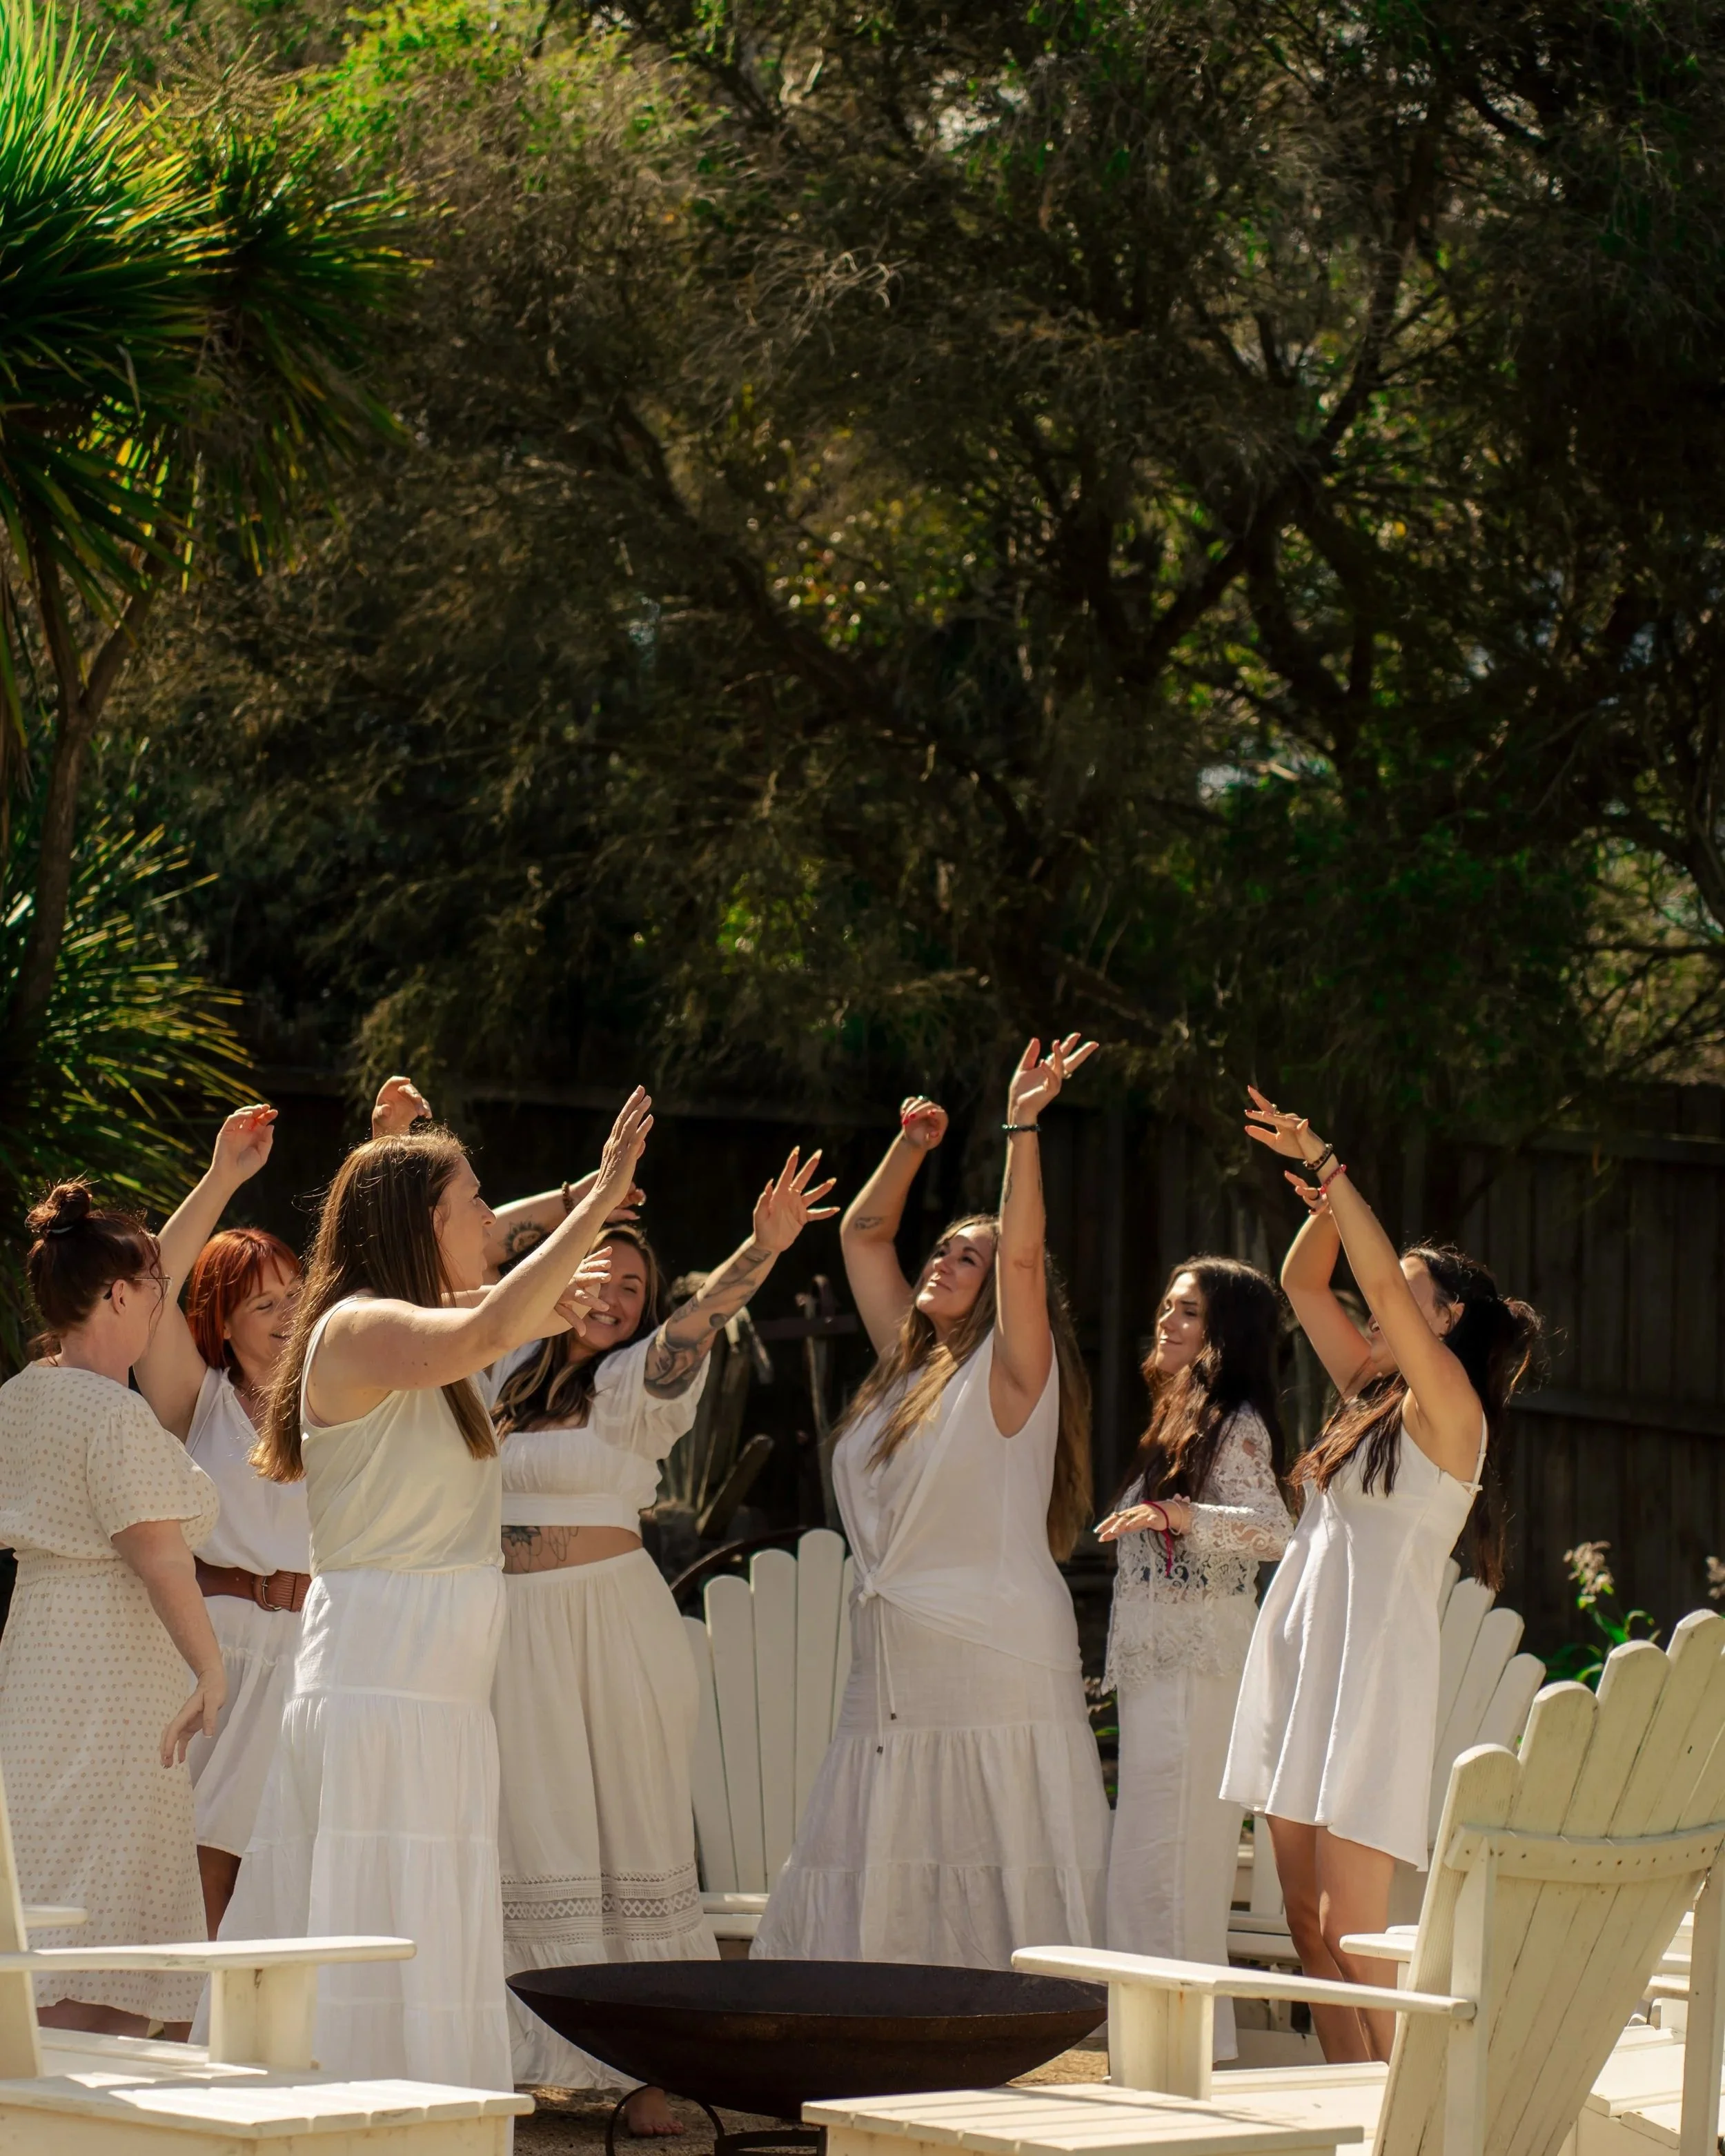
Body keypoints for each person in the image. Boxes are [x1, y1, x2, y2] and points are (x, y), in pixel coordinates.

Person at [215, 1089, 652, 2089]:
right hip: (384, 1676)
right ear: (424, 1223)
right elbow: (498, 1316)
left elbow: (518, 1303)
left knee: (427, 1924)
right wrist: (597, 1202)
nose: (492, 1222)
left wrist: (585, 1214)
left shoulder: (418, 1319)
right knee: (371, 1927)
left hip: (436, 1688)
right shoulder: (359, 1327)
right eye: (474, 1201)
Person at [491, 1147, 838, 2125]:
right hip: (511, 1632)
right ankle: (521, 2053)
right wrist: (582, 1204)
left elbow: (704, 1320)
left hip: (611, 1627)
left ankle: (657, 2072)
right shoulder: (502, 1360)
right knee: (528, 1834)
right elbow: (476, 1249)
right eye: (597, 1272)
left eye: (632, 1286)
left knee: (628, 1838)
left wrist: (760, 1251)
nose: (612, 1295)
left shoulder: (640, 1381)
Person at [754, 1038, 1111, 1968]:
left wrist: (1022, 1122)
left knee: (995, 1863)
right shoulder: (903, 1367)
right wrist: (910, 1146)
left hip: (993, 1661)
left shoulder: (1014, 1369)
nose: (948, 1261)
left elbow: (1025, 1258)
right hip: (891, 1667)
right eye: (946, 1248)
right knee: (872, 1855)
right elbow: (864, 1234)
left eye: (969, 1257)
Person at [1223, 1086, 1541, 2062]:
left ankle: (1426, 2116)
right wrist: (1327, 1212)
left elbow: (1372, 1290)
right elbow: (1307, 1284)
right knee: (1308, 1933)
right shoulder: (1370, 1388)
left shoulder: (1453, 1413)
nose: (1382, 1301)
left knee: (1354, 1937)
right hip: (1304, 1650)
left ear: (1448, 1318)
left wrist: (1328, 1163)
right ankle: (1353, 2115)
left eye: (1404, 1291)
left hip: (1372, 1670)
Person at [0, 1184, 223, 2037]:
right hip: (107, 1674)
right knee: (96, 1886)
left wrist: (221, 1176)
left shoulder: (25, 1392)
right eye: (155, 1293)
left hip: (39, 1657)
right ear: (119, 1296)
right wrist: (210, 1665)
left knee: (50, 1865)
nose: (162, 1308)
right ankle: (77, 2098)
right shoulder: (111, 1413)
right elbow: (160, 1554)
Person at [1096, 1258, 1292, 2062]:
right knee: (1145, 1850)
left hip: (1198, 1664)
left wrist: (1180, 1512)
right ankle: (1151, 2038)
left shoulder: (1236, 1419)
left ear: (1226, 1332)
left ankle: (1182, 2047)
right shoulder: (1178, 1414)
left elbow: (1275, 1529)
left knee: (1172, 1852)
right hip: (1159, 1668)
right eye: (1167, 1305)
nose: (1168, 1321)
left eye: (1189, 1311)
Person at [133, 1104, 302, 1937]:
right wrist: (223, 1176)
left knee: (285, 1864)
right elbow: (148, 1287)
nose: (286, 1315)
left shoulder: (338, 1401)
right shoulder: (194, 1400)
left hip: (310, 1652)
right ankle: (179, 2047)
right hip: (218, 1651)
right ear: (222, 1318)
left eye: (297, 1297)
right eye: (263, 1301)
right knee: (202, 1859)